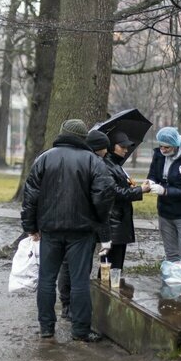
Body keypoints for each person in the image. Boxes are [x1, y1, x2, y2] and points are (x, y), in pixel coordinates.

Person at [21, 119, 115, 343]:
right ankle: (80, 330)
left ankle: (46, 327)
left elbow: (30, 196)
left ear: (62, 133)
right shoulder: (93, 161)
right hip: (81, 231)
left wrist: (31, 227)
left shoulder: (44, 158)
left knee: (46, 279)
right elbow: (105, 194)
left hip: (50, 229)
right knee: (79, 280)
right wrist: (98, 221)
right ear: (83, 138)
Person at [57, 129, 112, 322]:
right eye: (105, 148)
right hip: (83, 225)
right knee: (80, 269)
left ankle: (65, 305)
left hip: (59, 221)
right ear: (99, 148)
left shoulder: (60, 159)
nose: (107, 151)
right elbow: (101, 202)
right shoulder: (94, 164)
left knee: (65, 266)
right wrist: (105, 235)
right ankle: (79, 316)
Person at [146, 126, 181, 262]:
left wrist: (165, 191)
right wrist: (150, 182)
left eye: (167, 148)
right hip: (164, 211)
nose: (163, 150)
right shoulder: (159, 154)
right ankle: (173, 279)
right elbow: (153, 174)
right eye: (161, 146)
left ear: (175, 145)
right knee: (171, 253)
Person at [103, 130, 150, 270]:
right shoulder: (107, 165)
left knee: (115, 266)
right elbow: (115, 192)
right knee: (111, 266)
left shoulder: (116, 165)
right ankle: (105, 291)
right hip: (113, 222)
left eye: (126, 146)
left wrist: (131, 185)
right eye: (122, 146)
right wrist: (139, 190)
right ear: (112, 147)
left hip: (119, 222)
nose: (126, 149)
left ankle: (109, 289)